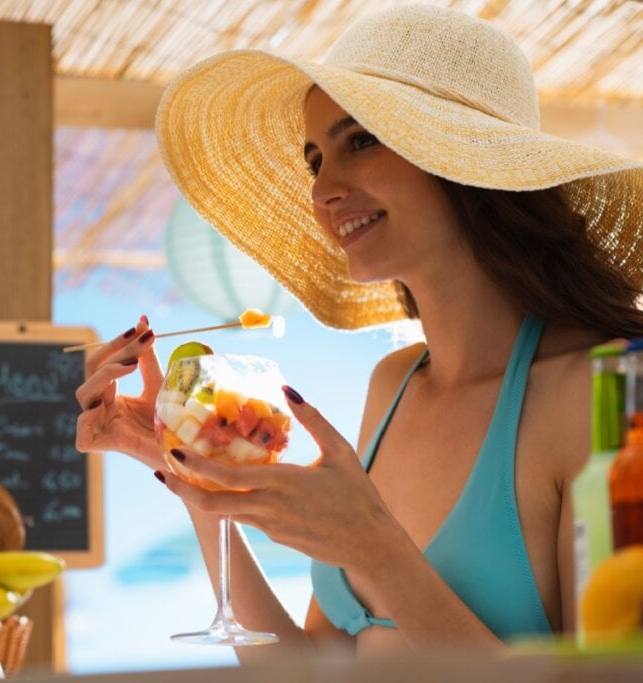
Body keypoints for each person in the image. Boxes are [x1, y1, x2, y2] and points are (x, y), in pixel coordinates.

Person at [74, 4, 643, 657]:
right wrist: (198, 479)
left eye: (360, 141)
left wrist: (374, 549)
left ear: (471, 159)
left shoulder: (612, 392)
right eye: (316, 159)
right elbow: (305, 669)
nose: (322, 192)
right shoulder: (392, 384)